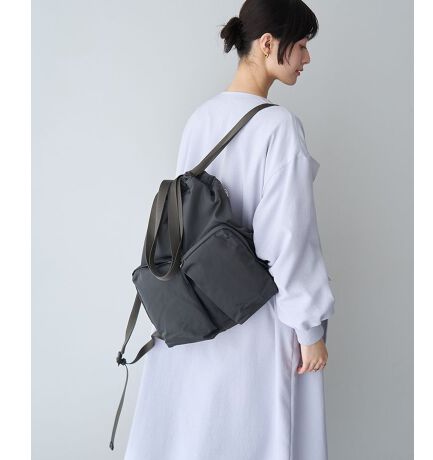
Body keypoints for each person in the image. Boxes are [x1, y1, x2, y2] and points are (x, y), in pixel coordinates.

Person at [124, 1, 335, 458]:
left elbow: (183, 218)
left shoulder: (200, 118)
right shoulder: (280, 127)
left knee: (202, 436)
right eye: (301, 45)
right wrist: (309, 329)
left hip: (197, 314)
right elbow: (287, 240)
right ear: (268, 44)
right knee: (257, 436)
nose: (307, 57)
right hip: (256, 317)